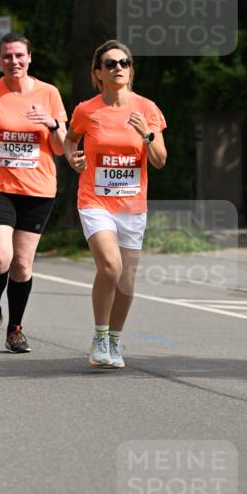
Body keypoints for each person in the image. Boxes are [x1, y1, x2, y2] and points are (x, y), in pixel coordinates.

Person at [63, 39, 167, 369]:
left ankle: (115, 341)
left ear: (130, 69)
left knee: (127, 279)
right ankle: (99, 335)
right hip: (95, 201)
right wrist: (72, 159)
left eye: (124, 62)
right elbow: (70, 140)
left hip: (132, 205)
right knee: (110, 266)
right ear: (98, 73)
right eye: (110, 64)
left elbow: (161, 161)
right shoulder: (86, 110)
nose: (118, 68)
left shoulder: (147, 109)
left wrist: (146, 135)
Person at [0, 32, 67, 352]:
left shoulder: (49, 94)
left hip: (38, 188)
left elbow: (62, 148)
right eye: (7, 56)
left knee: (21, 265)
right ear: (0, 61)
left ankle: (15, 328)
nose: (14, 62)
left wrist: (51, 123)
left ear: (30, 58)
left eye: (19, 56)